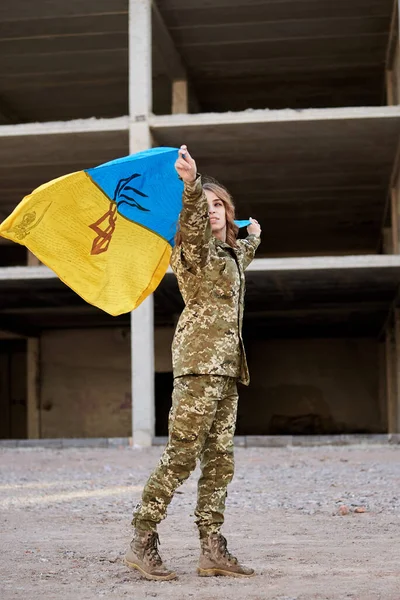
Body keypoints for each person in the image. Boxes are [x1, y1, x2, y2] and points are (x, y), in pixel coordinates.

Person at [125, 145, 261, 580]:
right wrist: (191, 186)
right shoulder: (193, 252)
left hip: (226, 368)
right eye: (207, 206)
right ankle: (143, 538)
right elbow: (196, 226)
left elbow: (242, 252)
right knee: (182, 455)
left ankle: (212, 549)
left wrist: (253, 233)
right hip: (199, 364)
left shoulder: (230, 256)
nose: (213, 210)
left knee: (220, 459)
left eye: (219, 204)